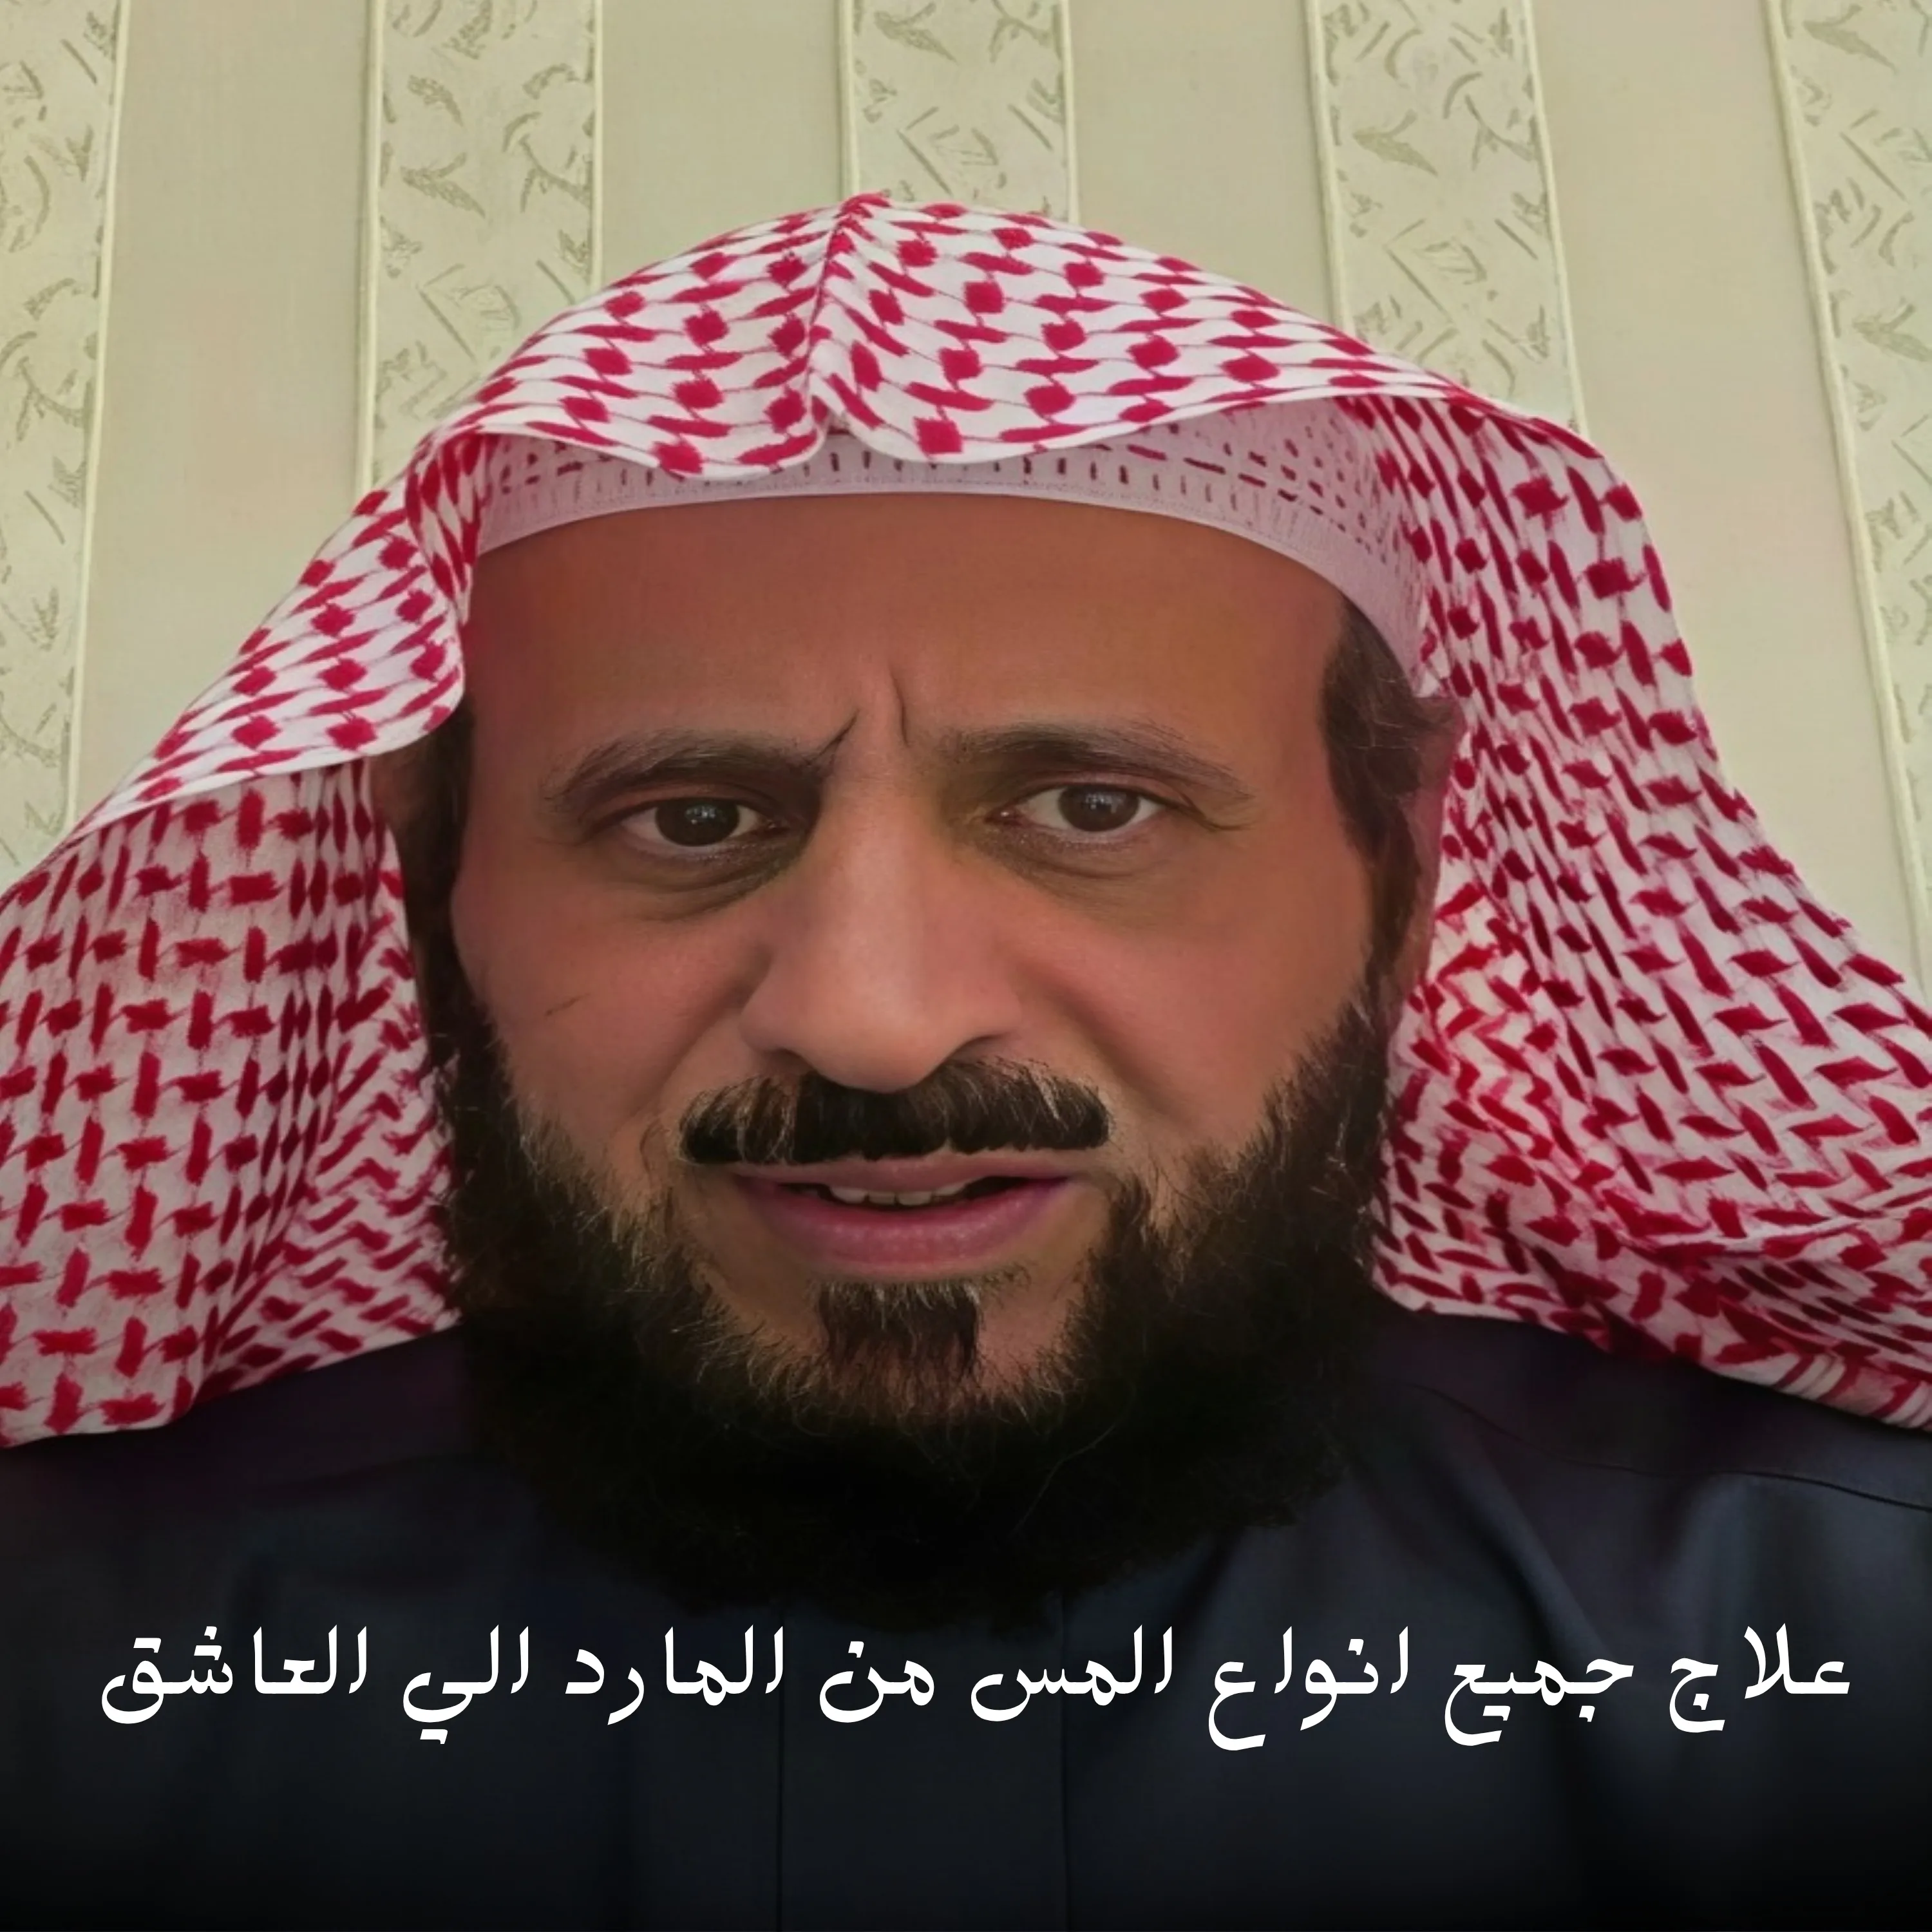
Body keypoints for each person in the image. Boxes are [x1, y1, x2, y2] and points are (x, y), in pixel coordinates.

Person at [1, 194, 1930, 1929]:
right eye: (691, 820)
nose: (872, 1016)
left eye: (1093, 807)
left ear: (1403, 877)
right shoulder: (64, 1676)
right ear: (434, 882)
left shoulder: (1845, 1655)